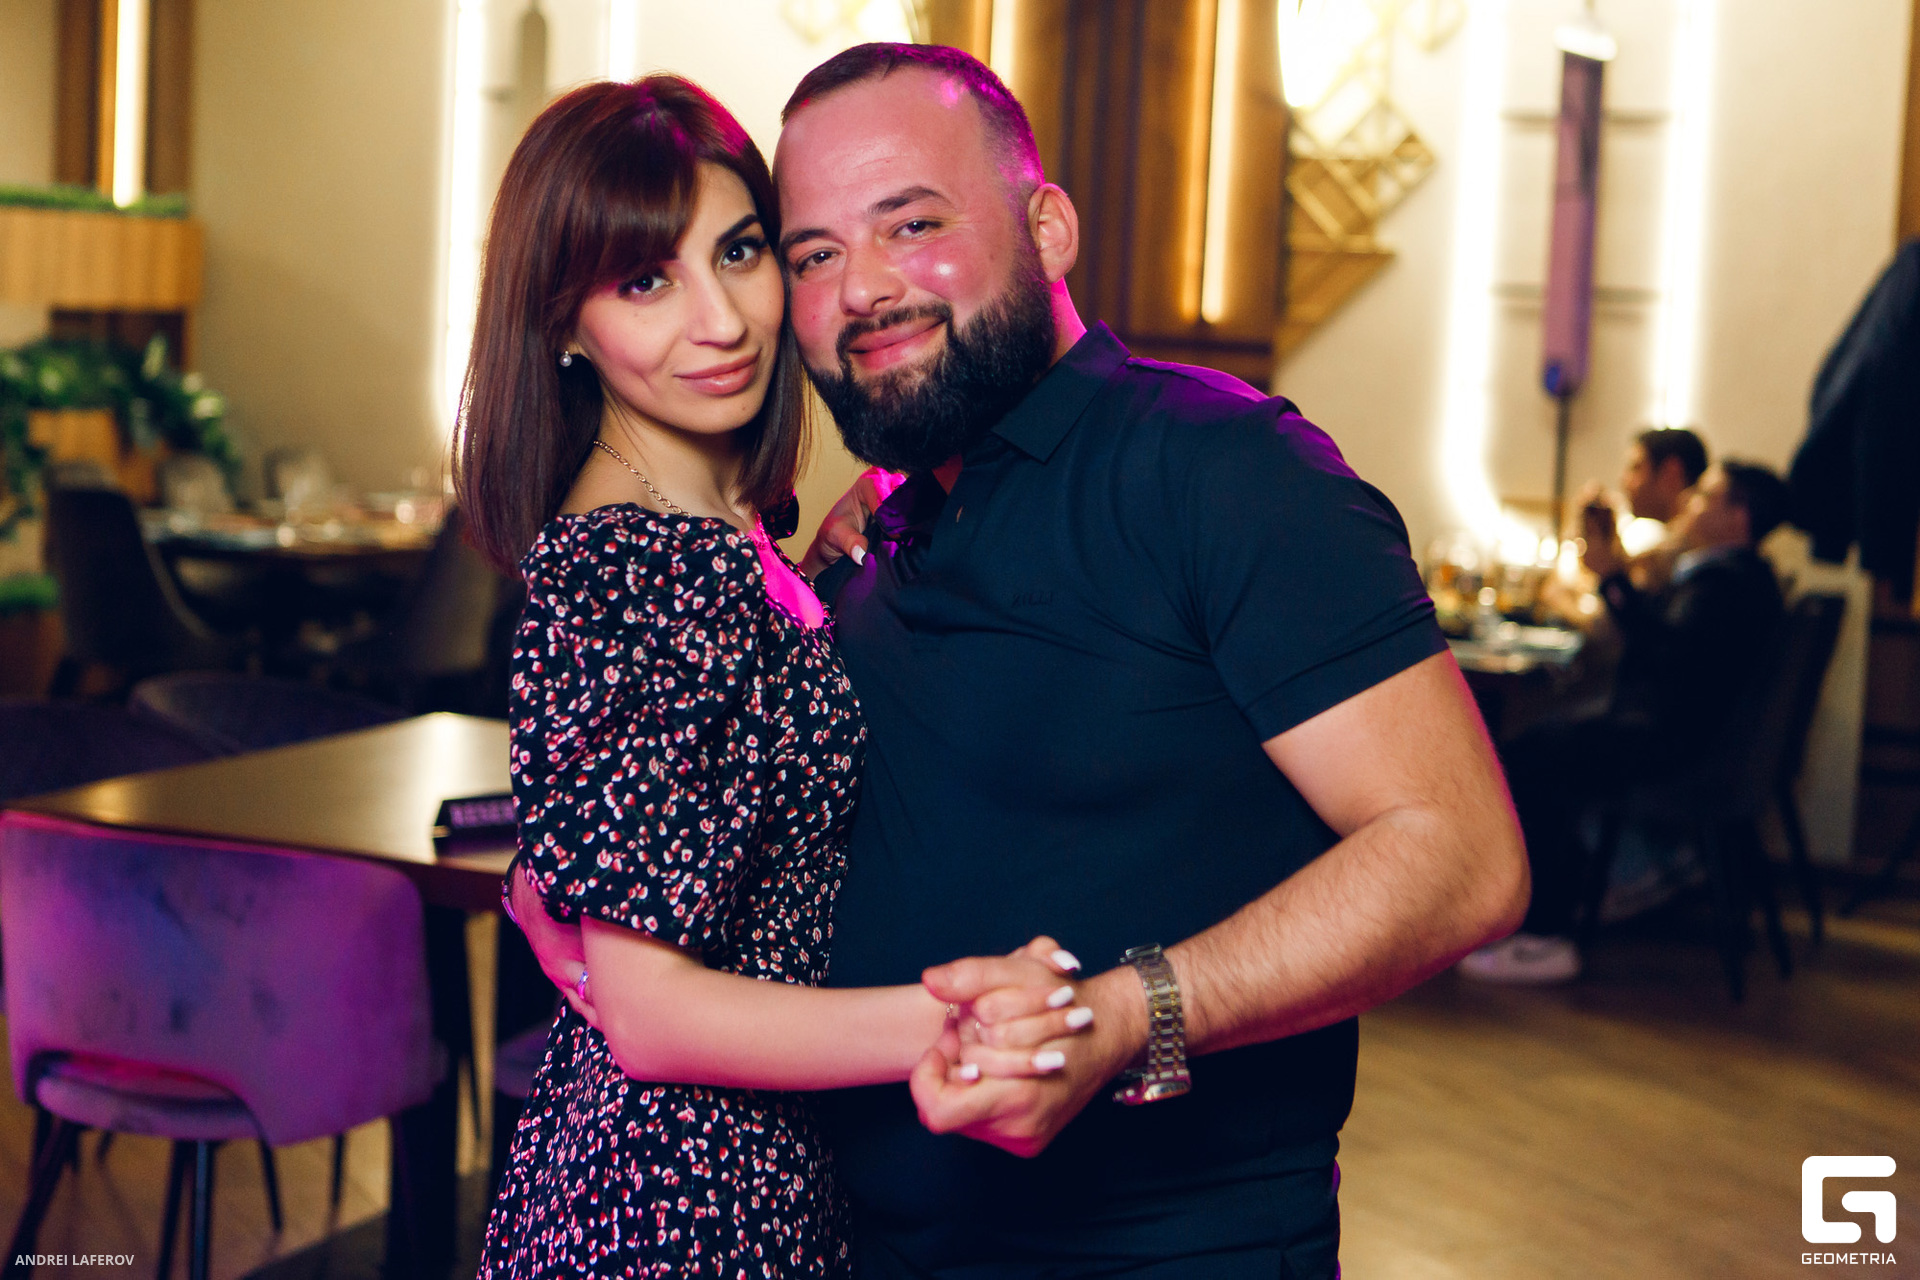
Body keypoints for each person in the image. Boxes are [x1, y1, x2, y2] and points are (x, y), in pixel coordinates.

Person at [516, 46, 1527, 1278]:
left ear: (1047, 229)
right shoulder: (874, 532)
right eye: (816, 252)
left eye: (913, 224)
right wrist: (563, 881)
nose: (863, 287)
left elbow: (1461, 856)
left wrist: (1125, 1014)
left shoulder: (1221, 469)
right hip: (840, 1238)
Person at [458, 76, 1091, 1279]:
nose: (723, 320)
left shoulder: (721, 528)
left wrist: (845, 541)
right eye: (646, 282)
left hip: (765, 1168)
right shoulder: (628, 564)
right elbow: (653, 1018)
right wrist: (968, 1016)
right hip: (668, 1200)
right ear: (564, 325)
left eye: (740, 251)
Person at [1462, 460, 1790, 985]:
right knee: (1540, 742)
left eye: (1706, 496)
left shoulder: (1724, 583)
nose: (1691, 502)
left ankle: (1543, 932)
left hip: (1673, 744)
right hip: (1693, 739)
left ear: (1739, 516)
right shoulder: (1745, 578)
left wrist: (1613, 578)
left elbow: (1665, 654)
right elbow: (1670, 643)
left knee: (1531, 756)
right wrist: (1614, 574)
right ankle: (1530, 912)